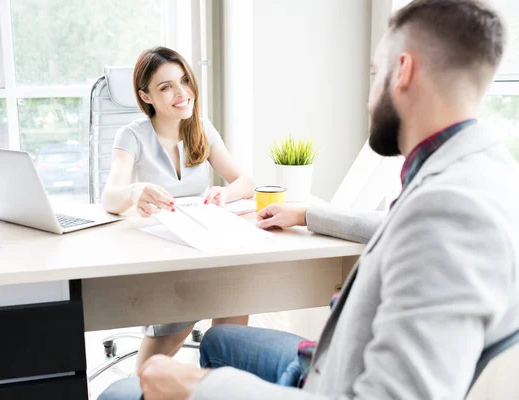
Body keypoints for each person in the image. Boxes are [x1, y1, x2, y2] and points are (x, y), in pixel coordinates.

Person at [98, 0, 519, 399]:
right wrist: (309, 212)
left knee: (123, 391)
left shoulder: (453, 213)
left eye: (375, 74)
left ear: (403, 71)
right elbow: (398, 226)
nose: (370, 96)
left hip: (331, 381)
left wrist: (196, 387)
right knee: (220, 337)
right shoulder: (474, 172)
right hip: (331, 361)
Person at [101, 46, 254, 371]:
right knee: (149, 371)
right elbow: (109, 198)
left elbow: (245, 182)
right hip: (162, 257)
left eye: (184, 80)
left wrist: (225, 194)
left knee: (236, 296)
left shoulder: (202, 128)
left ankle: (216, 384)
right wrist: (134, 191)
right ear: (146, 96)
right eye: (166, 86)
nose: (182, 93)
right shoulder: (131, 136)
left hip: (203, 245)